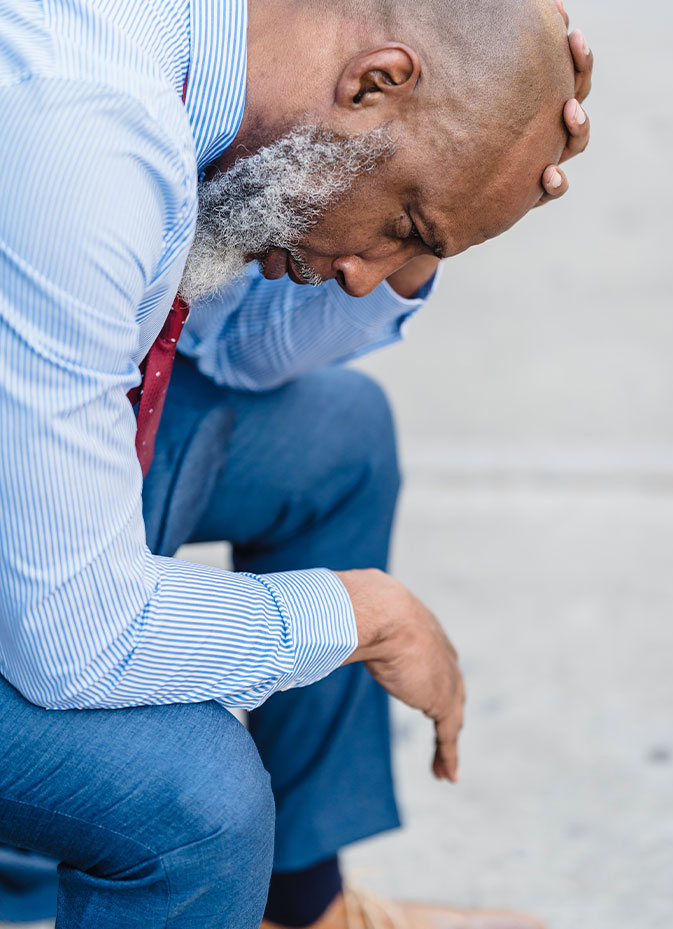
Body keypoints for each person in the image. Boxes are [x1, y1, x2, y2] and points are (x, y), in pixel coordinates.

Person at [0, 0, 593, 927]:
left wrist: (482, 170)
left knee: (336, 439)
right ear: (375, 82)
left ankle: (301, 908)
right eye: (404, 223)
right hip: (50, 601)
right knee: (193, 799)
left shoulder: (228, 62)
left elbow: (237, 352)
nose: (370, 274)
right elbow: (76, 636)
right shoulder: (84, 145)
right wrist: (365, 615)